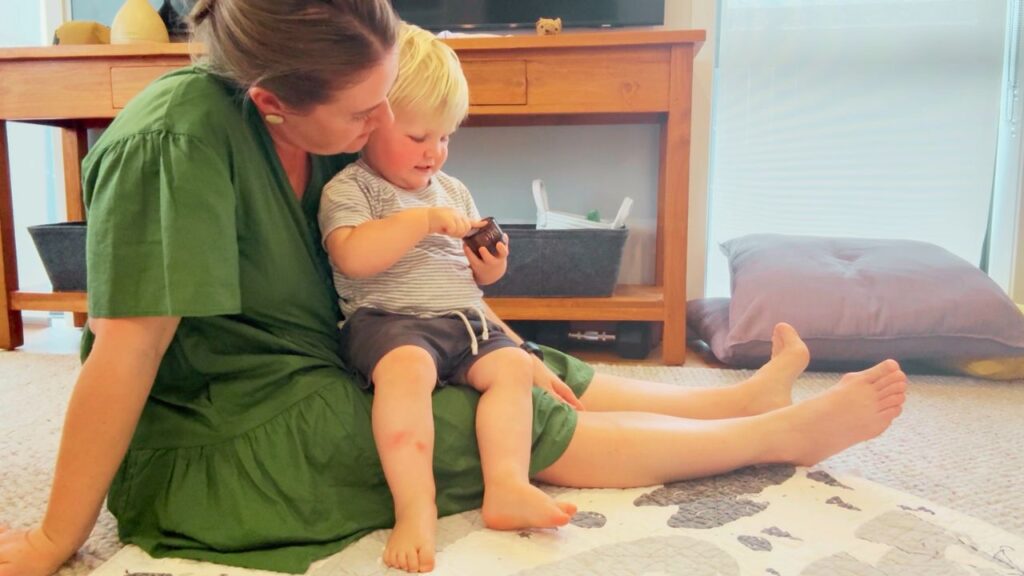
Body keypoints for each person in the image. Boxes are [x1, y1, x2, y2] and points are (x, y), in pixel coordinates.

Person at [0, 0, 908, 574]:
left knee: (497, 352)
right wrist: (51, 539)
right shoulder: (177, 143)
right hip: (229, 431)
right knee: (468, 419)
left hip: (322, 355)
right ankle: (770, 436)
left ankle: (735, 400)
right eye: (365, 114)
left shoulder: (319, 131)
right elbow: (125, 353)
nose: (383, 129)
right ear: (271, 100)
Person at [318, 23, 581, 572]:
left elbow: (472, 282)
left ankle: (506, 485)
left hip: (463, 322)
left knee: (512, 366)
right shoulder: (351, 187)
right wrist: (422, 222)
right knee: (407, 371)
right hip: (389, 323)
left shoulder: (455, 190)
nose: (433, 152)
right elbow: (352, 256)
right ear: (370, 125)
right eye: (418, 137)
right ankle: (416, 509)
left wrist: (491, 268)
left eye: (444, 137)